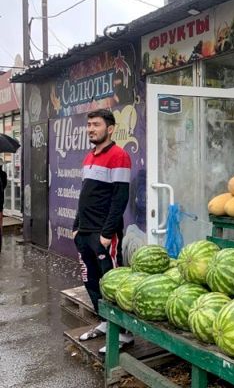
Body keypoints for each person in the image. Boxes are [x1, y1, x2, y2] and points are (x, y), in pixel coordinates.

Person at [72, 109, 133, 352]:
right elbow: (84, 195)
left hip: (104, 234)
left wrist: (107, 234)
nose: (91, 129)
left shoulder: (119, 156)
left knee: (112, 283)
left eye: (96, 124)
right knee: (91, 281)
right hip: (84, 233)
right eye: (89, 125)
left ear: (110, 128)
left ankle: (124, 333)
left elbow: (120, 198)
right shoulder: (89, 156)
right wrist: (76, 227)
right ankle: (106, 322)